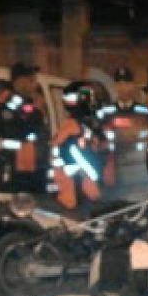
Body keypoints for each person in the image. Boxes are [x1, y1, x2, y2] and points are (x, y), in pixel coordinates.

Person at [0, 62, 50, 193]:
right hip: (14, 167)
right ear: (20, 82)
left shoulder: (27, 101)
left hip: (31, 167)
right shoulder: (8, 102)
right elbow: (14, 130)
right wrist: (37, 112)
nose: (35, 85)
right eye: (31, 80)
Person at [48, 81, 102, 211]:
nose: (93, 102)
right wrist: (95, 176)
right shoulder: (74, 129)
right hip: (76, 196)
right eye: (90, 97)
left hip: (76, 194)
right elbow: (79, 158)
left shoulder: (75, 126)